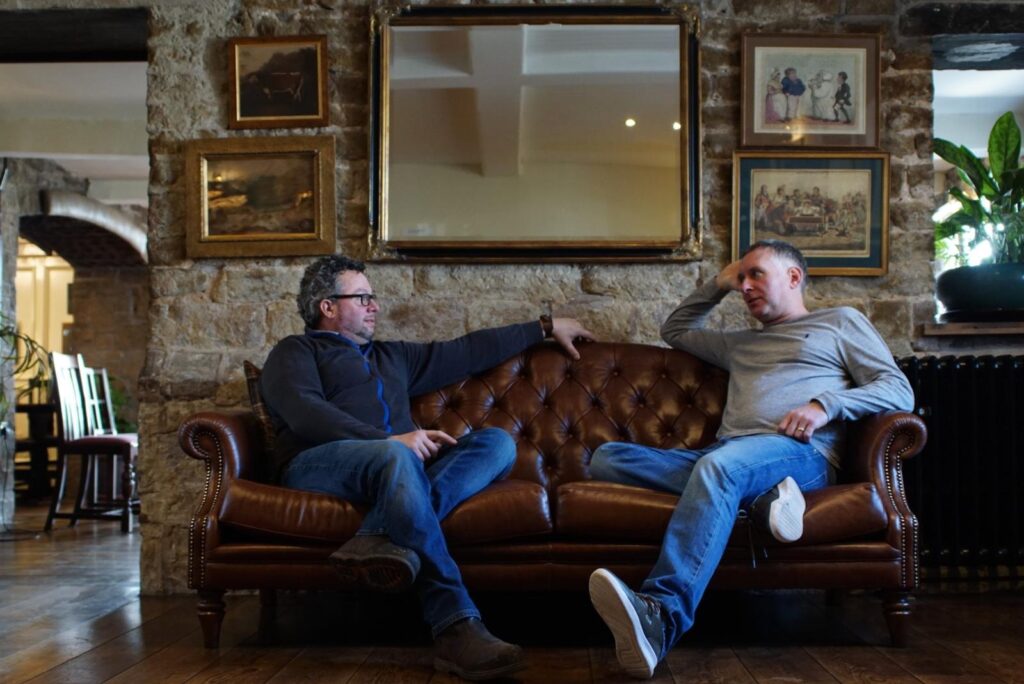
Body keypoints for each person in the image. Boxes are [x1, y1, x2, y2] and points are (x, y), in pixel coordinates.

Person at [586, 240, 913, 679]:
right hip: (727, 455)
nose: (745, 286)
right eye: (740, 279)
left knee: (719, 470)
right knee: (606, 459)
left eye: (756, 274)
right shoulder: (739, 344)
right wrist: (719, 282)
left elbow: (898, 389)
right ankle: (762, 501)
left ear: (793, 277)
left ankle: (661, 615)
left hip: (800, 452)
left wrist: (825, 405)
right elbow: (675, 329)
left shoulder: (839, 322)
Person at [260, 254, 593, 681]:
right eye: (362, 298)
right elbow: (305, 414)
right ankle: (455, 625)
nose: (375, 306)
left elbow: (467, 351)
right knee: (398, 456)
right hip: (318, 463)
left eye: (372, 297)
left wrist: (544, 327)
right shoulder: (294, 352)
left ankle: (377, 536)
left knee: (496, 443)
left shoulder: (391, 357)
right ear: (327, 306)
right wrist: (387, 441)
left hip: (395, 468)